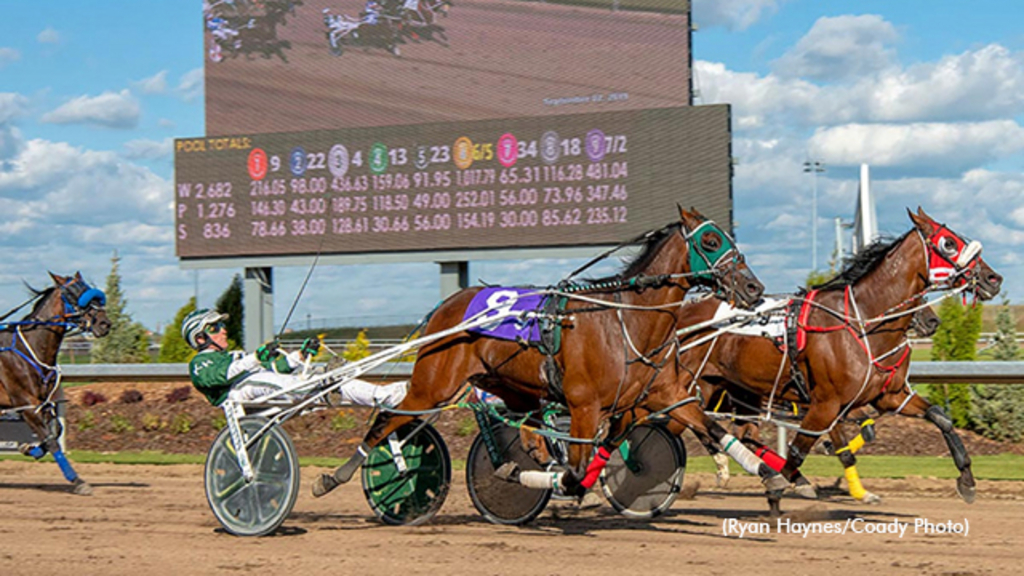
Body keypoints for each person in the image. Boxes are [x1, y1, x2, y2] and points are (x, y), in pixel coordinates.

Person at [182, 308, 407, 408]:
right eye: (216, 327)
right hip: (238, 392)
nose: (223, 330)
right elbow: (221, 376)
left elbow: (277, 367)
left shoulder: (234, 356)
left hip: (261, 382)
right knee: (281, 382)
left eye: (222, 325)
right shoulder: (200, 363)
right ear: (200, 338)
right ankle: (316, 383)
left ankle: (382, 395)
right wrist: (255, 357)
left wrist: (300, 355)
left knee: (331, 378)